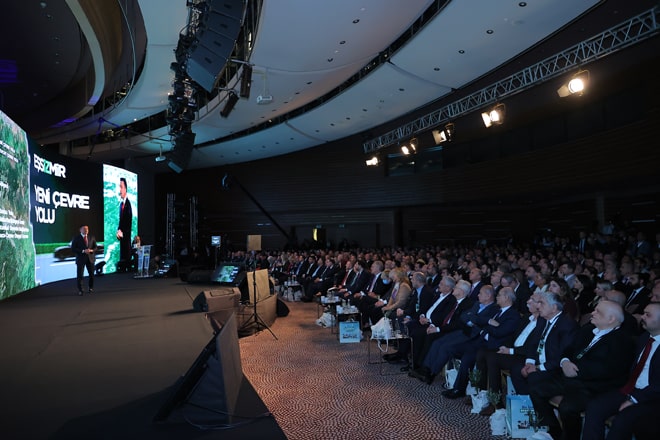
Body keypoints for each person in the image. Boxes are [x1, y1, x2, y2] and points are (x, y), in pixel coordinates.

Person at [529, 301, 635, 440]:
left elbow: (607, 369)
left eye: (598, 312)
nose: (592, 313)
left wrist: (575, 370)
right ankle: (554, 430)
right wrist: (565, 361)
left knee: (568, 407)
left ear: (611, 319)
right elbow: (569, 348)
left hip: (594, 386)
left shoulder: (623, 340)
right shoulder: (587, 329)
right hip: (570, 377)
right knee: (536, 388)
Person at [582, 302, 660, 440]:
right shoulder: (644, 338)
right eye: (643, 313)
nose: (642, 317)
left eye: (648, 315)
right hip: (630, 389)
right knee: (595, 407)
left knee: (623, 419)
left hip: (652, 398)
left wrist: (635, 399)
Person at [71, 225, 97, 295]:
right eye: (84, 229)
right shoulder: (76, 238)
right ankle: (81, 290)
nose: (86, 230)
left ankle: (91, 288)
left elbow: (95, 247)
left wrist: (91, 250)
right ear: (80, 230)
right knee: (80, 275)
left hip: (90, 258)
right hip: (81, 259)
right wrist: (83, 251)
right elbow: (73, 248)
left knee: (91, 274)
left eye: (87, 229)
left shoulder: (91, 237)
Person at [116, 177, 133, 272]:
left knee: (126, 254)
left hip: (126, 236)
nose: (120, 190)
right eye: (119, 187)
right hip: (122, 235)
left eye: (121, 187)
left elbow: (128, 222)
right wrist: (118, 230)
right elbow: (121, 220)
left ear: (125, 189)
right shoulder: (121, 205)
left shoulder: (128, 204)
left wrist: (124, 233)